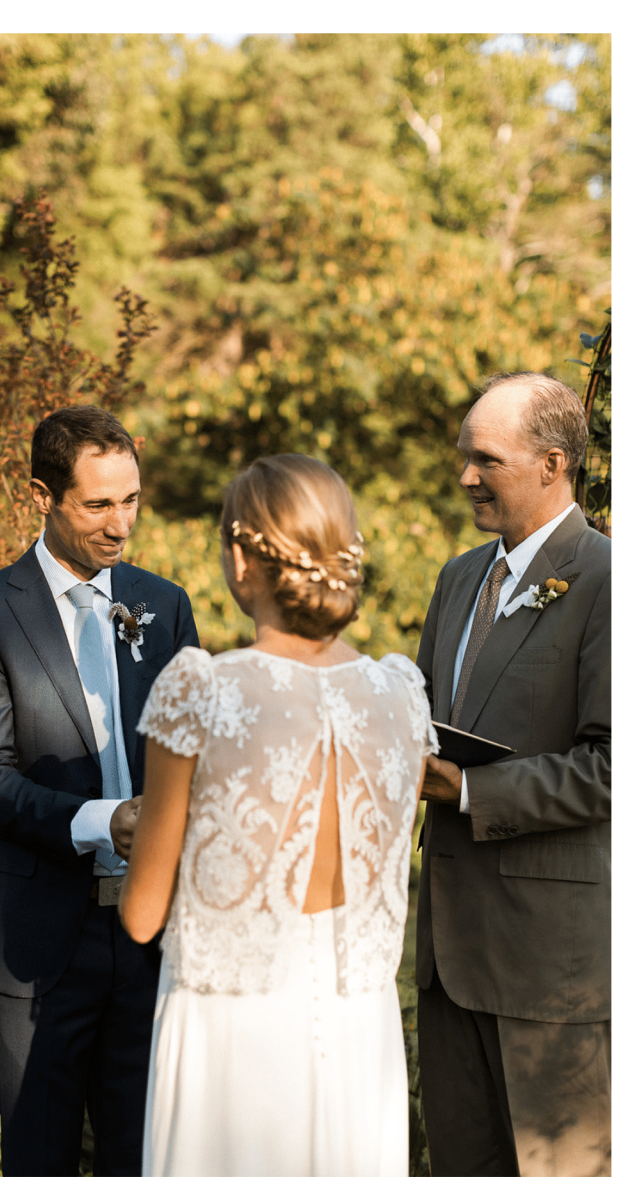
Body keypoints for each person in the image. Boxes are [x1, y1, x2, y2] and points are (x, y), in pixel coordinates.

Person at [121, 454, 435, 1176]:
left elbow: (142, 915)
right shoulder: (398, 692)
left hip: (233, 1022)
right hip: (360, 1027)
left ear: (240, 559)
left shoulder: (202, 686)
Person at [0, 406, 199, 1176]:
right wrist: (102, 821)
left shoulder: (166, 606)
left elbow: (198, 752)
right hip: (40, 939)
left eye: (131, 500)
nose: (121, 525)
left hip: (150, 934)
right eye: (98, 505)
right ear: (41, 495)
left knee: (144, 1157)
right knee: (39, 1157)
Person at [412, 372, 610, 1176]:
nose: (465, 478)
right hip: (445, 959)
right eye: (465, 458)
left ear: (552, 463)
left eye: (485, 460)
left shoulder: (608, 580)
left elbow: (611, 767)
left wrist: (470, 790)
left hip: (550, 968)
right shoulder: (459, 576)